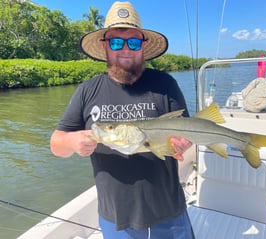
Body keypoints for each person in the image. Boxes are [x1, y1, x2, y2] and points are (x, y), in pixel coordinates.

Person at [50, 1, 195, 239]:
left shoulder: (165, 84)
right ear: (106, 46)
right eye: (117, 42)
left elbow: (185, 131)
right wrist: (73, 143)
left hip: (169, 211)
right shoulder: (87, 90)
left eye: (133, 42)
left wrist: (183, 143)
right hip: (115, 218)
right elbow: (56, 144)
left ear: (143, 46)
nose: (125, 49)